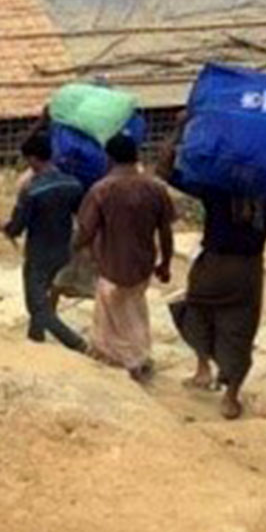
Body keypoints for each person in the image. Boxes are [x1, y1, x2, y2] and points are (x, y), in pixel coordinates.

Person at [160, 120, 266, 420]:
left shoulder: (217, 190)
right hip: (247, 272)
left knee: (195, 313)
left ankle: (202, 367)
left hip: (211, 266)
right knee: (239, 332)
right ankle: (230, 397)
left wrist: (181, 127)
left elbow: (164, 170)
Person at [74, 134, 175, 383]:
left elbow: (86, 231)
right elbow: (166, 230)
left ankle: (130, 363)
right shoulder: (156, 189)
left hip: (111, 264)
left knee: (113, 320)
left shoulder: (101, 190)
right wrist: (166, 263)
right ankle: (139, 356)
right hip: (143, 264)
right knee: (135, 312)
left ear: (108, 157)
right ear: (136, 155)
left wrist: (75, 249)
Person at [2, 132, 87, 352]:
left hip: (39, 252)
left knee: (37, 305)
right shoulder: (73, 184)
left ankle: (75, 343)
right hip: (63, 249)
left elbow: (17, 227)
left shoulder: (31, 191)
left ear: (32, 159)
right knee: (42, 297)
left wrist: (5, 228)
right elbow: (83, 216)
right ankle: (35, 338)